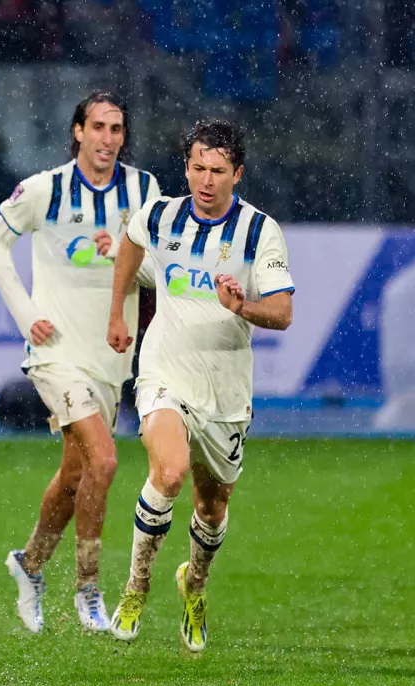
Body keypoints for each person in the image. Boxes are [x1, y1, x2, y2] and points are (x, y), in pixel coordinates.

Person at [106, 119, 294, 652]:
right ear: (186, 167)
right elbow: (129, 244)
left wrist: (243, 307)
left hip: (227, 391)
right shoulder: (160, 214)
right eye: (197, 168)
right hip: (165, 371)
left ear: (238, 174)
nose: (206, 181)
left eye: (217, 171)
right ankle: (136, 586)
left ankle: (195, 583)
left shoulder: (259, 231)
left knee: (211, 508)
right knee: (168, 471)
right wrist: (117, 311)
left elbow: (282, 312)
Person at [0, 90, 161, 634]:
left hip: (110, 357)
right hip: (55, 352)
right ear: (78, 131)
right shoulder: (44, 189)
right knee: (104, 461)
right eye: (98, 127)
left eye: (117, 128)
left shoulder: (144, 191)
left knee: (77, 472)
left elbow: (160, 272)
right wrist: (26, 316)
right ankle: (88, 589)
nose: (108, 138)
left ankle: (30, 564)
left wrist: (124, 255)